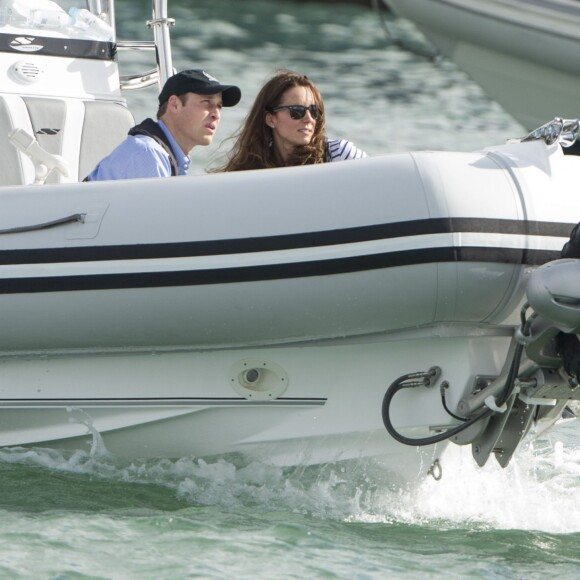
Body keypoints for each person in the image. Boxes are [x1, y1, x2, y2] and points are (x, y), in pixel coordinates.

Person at [85, 69, 241, 181]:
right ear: (174, 105)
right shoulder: (148, 154)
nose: (216, 114)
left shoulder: (164, 155)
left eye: (219, 106)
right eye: (207, 102)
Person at [215, 69, 365, 172]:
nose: (309, 119)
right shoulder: (249, 172)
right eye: (297, 111)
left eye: (314, 111)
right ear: (270, 119)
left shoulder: (339, 155)